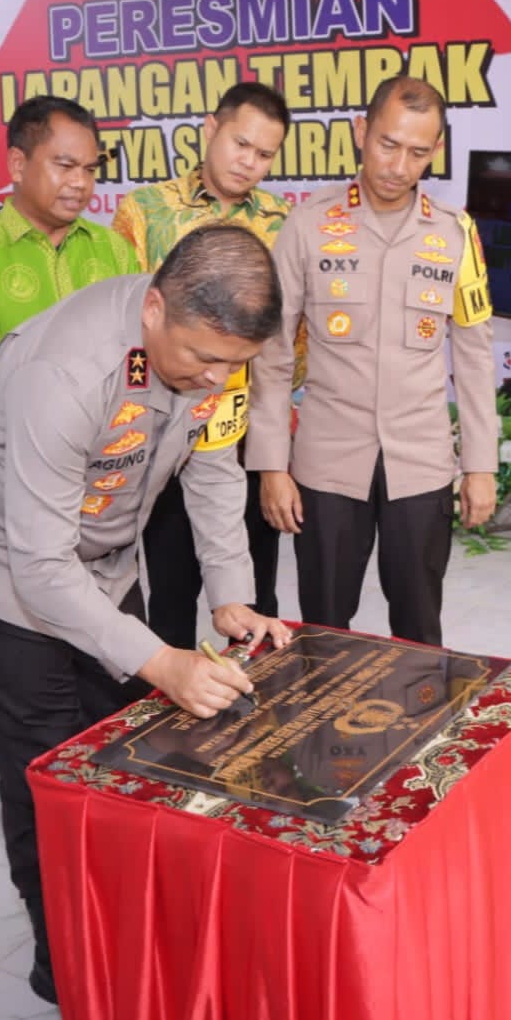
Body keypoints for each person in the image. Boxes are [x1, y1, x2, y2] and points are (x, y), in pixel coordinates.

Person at [0, 226, 291, 1005]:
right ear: (154, 308)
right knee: (50, 779)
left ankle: (125, 923)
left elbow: (215, 467)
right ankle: (66, 967)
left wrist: (231, 593)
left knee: (126, 761)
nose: (218, 378)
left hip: (101, 563)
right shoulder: (68, 369)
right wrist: (160, 659)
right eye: (203, 358)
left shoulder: (212, 356)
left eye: (235, 366)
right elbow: (39, 567)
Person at [245, 75, 498, 647]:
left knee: (418, 625)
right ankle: (323, 732)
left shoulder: (456, 234)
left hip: (422, 461)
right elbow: (274, 352)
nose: (399, 166)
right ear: (361, 132)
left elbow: (476, 357)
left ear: (435, 152)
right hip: (329, 462)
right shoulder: (309, 224)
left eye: (417, 152)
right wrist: (270, 464)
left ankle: (419, 732)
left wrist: (480, 464)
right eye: (388, 144)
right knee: (323, 628)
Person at [113, 82, 295, 643]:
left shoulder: (280, 221)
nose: (250, 163)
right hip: (165, 431)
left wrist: (275, 438)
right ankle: (170, 712)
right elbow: (128, 328)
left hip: (243, 435)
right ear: (211, 129)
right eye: (241, 144)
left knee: (251, 590)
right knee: (170, 592)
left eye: (265, 155)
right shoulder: (145, 213)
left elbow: (289, 342)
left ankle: (259, 711)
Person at [0, 95, 138, 410]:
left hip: (110, 444)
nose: (81, 183)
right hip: (11, 449)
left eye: (90, 170)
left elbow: (139, 353)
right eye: (65, 166)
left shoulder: (115, 250)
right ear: (17, 164)